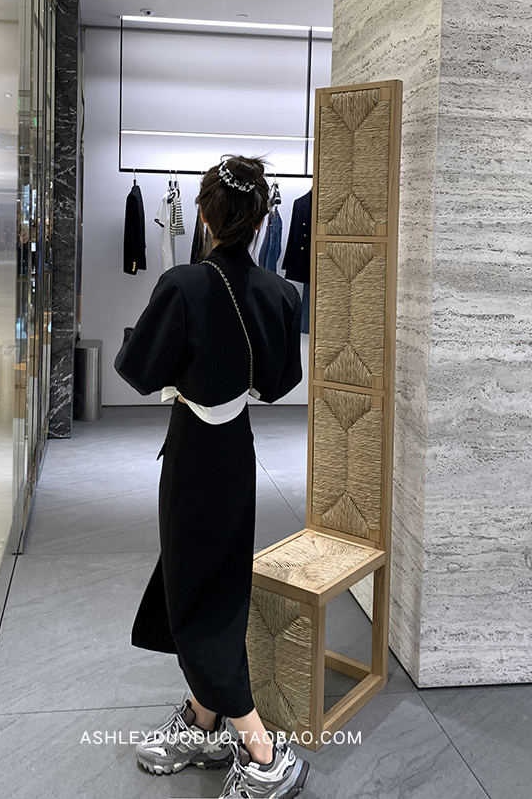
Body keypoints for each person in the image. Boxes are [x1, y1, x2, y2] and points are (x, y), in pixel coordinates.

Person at [114, 155, 310, 799]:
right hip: (236, 450)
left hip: (194, 453)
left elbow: (138, 369)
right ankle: (203, 721)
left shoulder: (183, 285)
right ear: (261, 221)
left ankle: (260, 748)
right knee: (213, 578)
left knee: (195, 592)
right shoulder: (280, 294)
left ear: (202, 212)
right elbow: (279, 383)